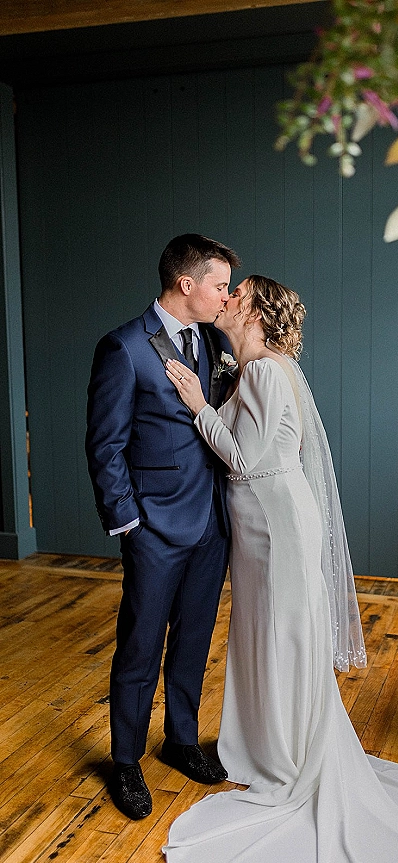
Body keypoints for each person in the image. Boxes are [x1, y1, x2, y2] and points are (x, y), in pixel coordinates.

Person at [162, 275, 398, 863]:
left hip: (276, 528)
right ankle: (264, 747)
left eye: (236, 293)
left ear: (254, 312)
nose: (226, 298)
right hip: (258, 529)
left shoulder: (268, 371)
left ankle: (290, 757)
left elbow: (246, 459)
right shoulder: (253, 371)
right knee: (263, 638)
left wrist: (198, 405)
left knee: (285, 638)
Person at [85, 233, 241, 821]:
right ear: (187, 284)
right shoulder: (123, 348)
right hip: (152, 526)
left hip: (211, 523)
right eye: (220, 286)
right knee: (140, 645)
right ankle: (123, 760)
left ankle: (180, 739)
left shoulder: (214, 340)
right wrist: (128, 522)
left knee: (196, 640)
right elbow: (105, 446)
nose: (225, 296)